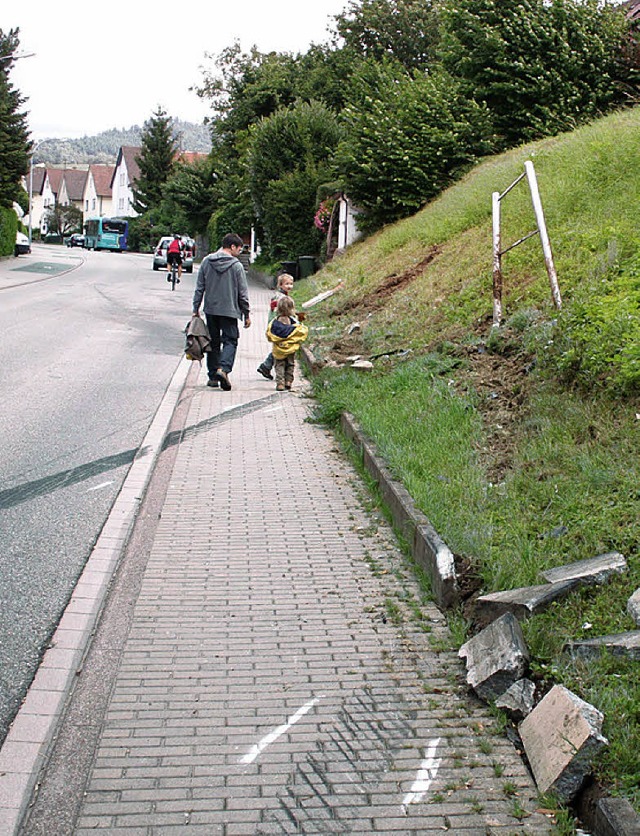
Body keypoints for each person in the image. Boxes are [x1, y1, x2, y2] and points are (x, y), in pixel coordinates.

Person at [192, 233, 251, 391]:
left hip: (211, 309)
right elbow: (243, 294)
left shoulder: (206, 261)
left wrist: (195, 309)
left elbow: (200, 288)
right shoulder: (236, 266)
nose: (240, 251)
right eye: (239, 248)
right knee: (230, 340)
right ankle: (223, 370)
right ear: (232, 247)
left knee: (213, 342)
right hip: (230, 310)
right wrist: (247, 313)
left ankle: (212, 377)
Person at [266, 295, 308, 391]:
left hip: (278, 349)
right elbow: (300, 332)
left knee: (279, 365)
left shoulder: (275, 323)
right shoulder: (293, 323)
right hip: (290, 349)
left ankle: (280, 383)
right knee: (290, 364)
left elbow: (269, 334)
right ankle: (288, 381)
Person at [257, 273, 295, 380]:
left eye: (291, 284)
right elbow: (278, 311)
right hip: (279, 325)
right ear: (280, 285)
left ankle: (266, 366)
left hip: (278, 324)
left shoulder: (283, 296)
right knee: (280, 348)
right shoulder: (280, 298)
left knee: (279, 347)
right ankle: (266, 366)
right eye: (287, 284)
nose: (289, 286)